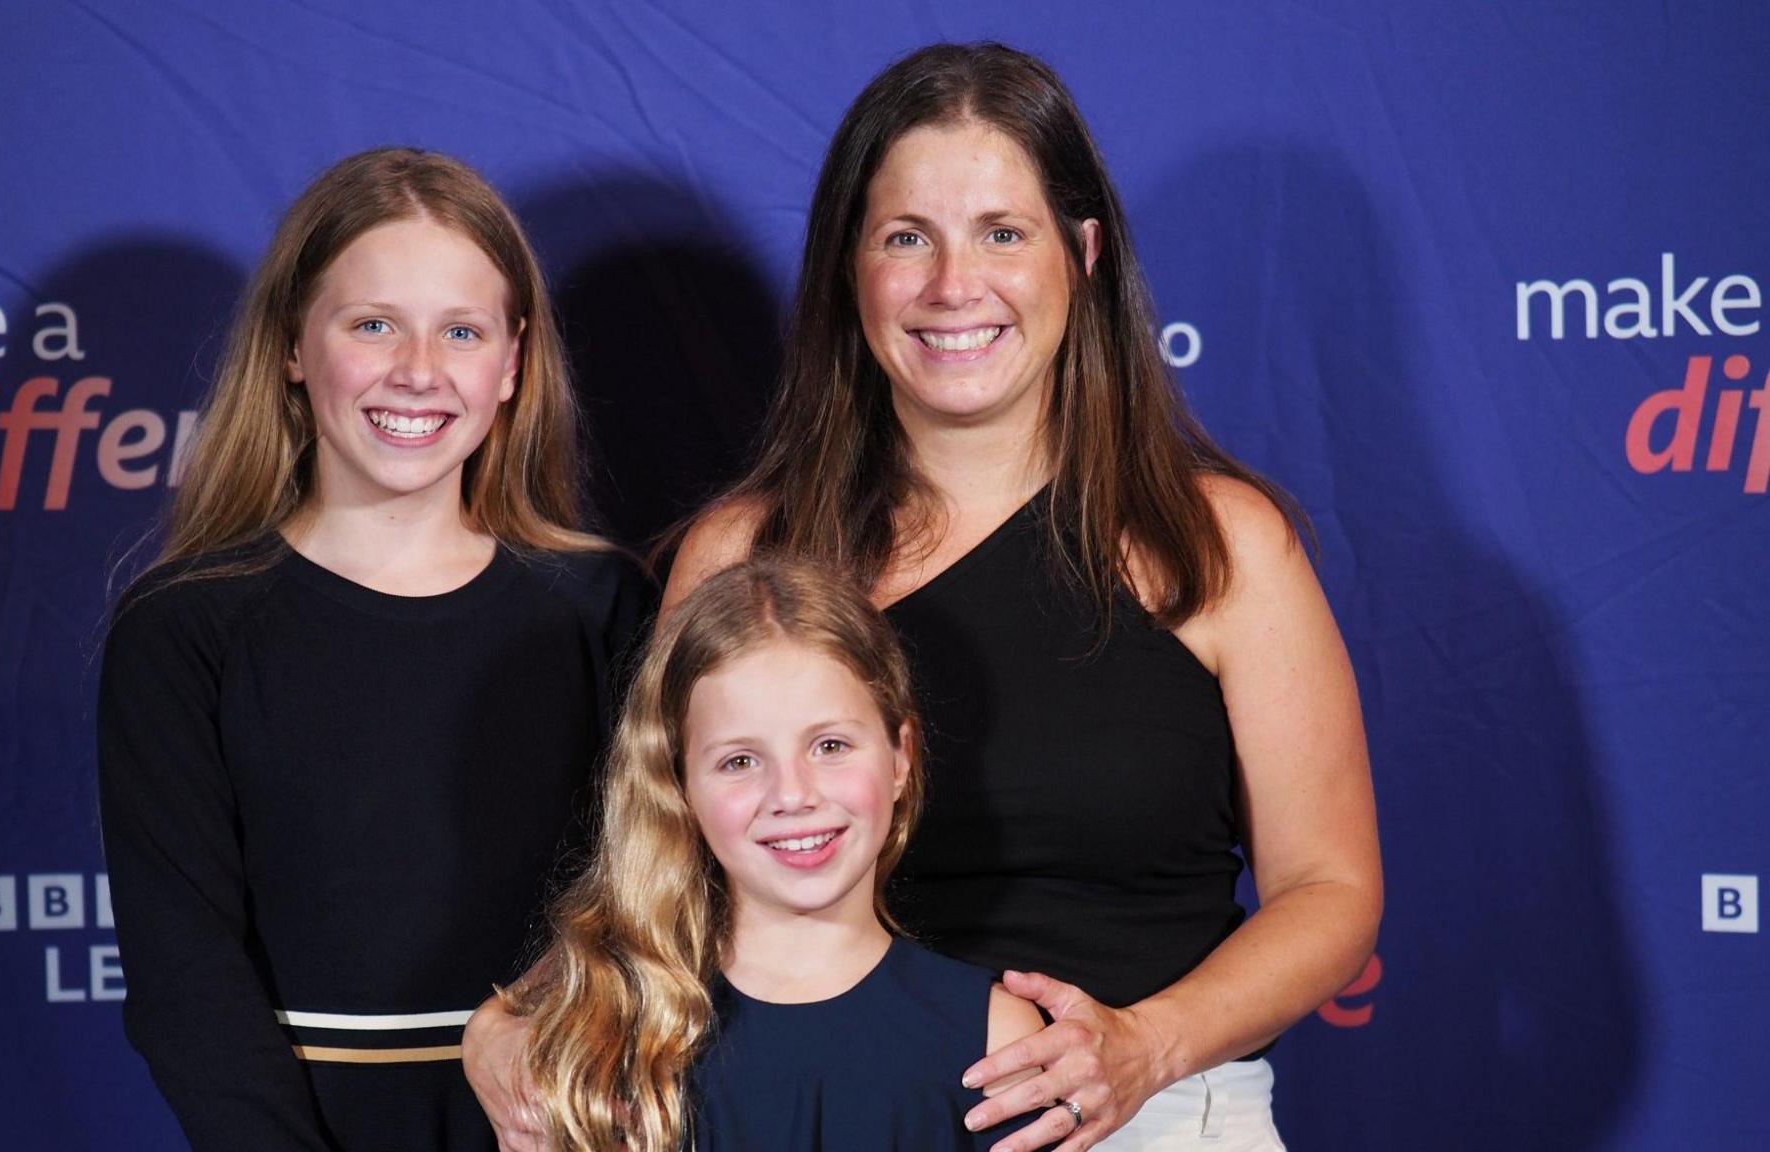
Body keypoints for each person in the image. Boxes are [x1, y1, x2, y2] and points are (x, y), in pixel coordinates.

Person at [467, 43, 1380, 1152]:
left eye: (1002, 232)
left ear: (1081, 256)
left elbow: (1328, 889)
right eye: (907, 238)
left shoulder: (1217, 545)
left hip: (1141, 1121)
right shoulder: (742, 554)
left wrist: (1145, 1046)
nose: (955, 286)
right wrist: (514, 1018)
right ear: (850, 269)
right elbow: (656, 861)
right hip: (802, 1113)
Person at [99, 148, 653, 1151]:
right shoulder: (183, 629)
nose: (418, 372)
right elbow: (186, 978)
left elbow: (650, 897)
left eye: (460, 331)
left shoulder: (602, 606)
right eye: (372, 325)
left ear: (513, 361)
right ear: (291, 347)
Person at [511, 558, 1042, 1151]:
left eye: (830, 745)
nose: (792, 795)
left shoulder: (996, 1043)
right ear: (679, 784)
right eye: (740, 761)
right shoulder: (606, 1039)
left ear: (900, 755)